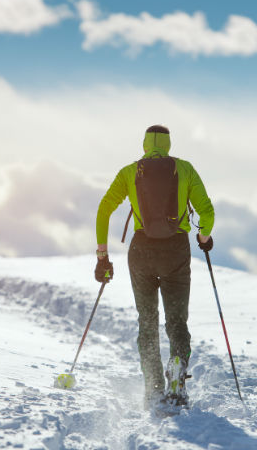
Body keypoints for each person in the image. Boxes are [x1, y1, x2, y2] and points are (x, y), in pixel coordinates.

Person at [94, 124, 215, 409]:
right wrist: (203, 236)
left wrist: (102, 255)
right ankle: (177, 371)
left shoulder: (130, 171)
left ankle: (153, 386)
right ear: (169, 144)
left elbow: (104, 208)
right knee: (177, 322)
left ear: (145, 144)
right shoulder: (184, 168)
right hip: (176, 250)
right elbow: (207, 212)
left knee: (147, 321)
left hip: (141, 251)